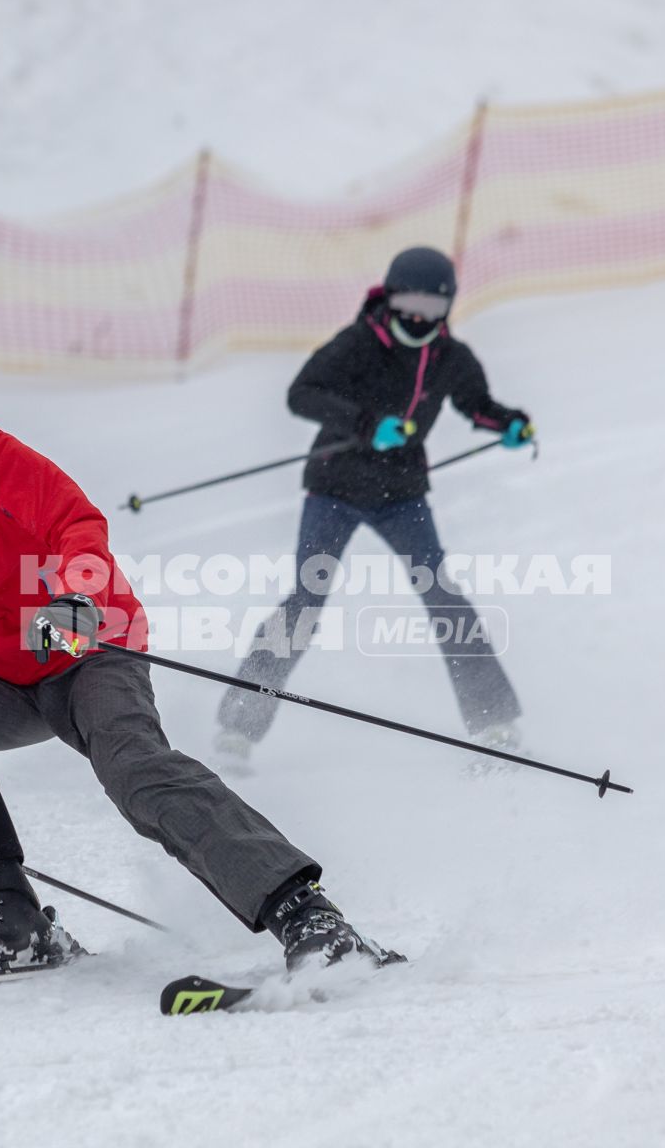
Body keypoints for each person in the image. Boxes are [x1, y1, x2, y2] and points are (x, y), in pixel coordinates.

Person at [0, 336, 399, 977]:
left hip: (83, 648)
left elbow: (73, 522)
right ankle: (11, 919)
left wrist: (78, 599)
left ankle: (308, 917)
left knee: (133, 768)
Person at [215, 246, 534, 767]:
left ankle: (495, 720)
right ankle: (239, 725)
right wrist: (366, 424)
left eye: (432, 309)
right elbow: (302, 394)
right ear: (388, 297)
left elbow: (477, 404)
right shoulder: (360, 343)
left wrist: (510, 423)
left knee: (442, 595)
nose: (418, 317)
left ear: (448, 309)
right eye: (409, 303)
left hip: (401, 494)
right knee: (306, 598)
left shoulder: (450, 358)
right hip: (334, 490)